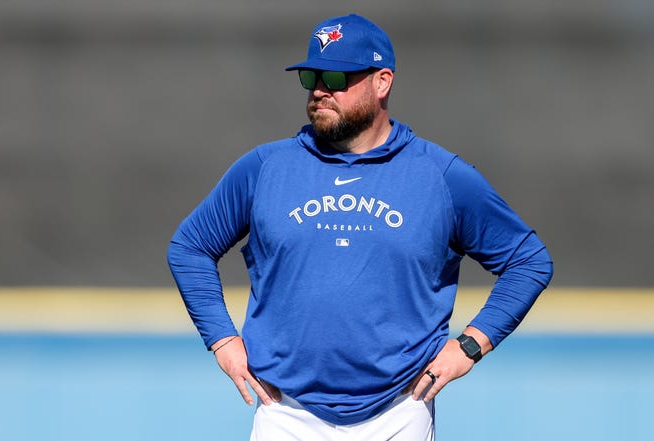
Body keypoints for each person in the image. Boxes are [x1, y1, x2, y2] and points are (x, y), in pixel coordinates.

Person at [167, 13, 553, 441]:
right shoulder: (264, 168)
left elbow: (528, 261)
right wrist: (223, 341)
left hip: (399, 412)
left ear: (382, 81)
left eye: (336, 76)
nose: (319, 90)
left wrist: (470, 345)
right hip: (285, 412)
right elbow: (190, 246)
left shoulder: (440, 176)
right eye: (311, 77)